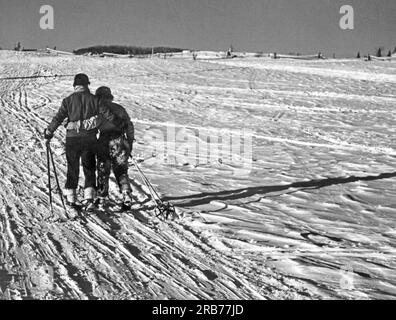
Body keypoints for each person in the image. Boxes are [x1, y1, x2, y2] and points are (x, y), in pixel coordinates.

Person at [44, 74, 125, 211]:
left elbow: (58, 118)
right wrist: (120, 125)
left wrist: (49, 132)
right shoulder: (94, 99)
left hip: (72, 139)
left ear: (75, 85)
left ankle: (72, 199)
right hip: (90, 139)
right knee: (89, 169)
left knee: (72, 168)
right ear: (87, 85)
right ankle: (89, 199)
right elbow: (108, 115)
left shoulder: (68, 100)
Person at [67, 86, 135, 208]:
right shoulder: (120, 109)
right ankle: (126, 194)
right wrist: (129, 143)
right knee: (121, 170)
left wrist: (73, 125)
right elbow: (129, 126)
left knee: (103, 170)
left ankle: (102, 197)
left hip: (105, 141)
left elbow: (92, 124)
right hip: (121, 141)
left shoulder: (99, 110)